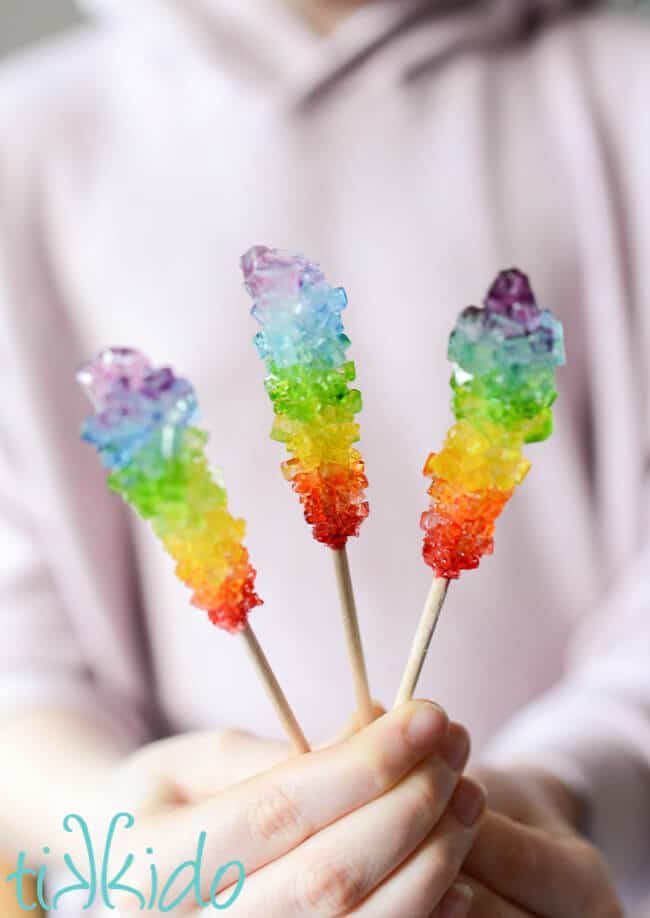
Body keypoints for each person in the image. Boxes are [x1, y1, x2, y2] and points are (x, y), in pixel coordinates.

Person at [0, 0, 648, 914]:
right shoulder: (28, 140)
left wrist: (562, 792)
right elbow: (20, 661)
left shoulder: (626, 89)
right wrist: (122, 827)